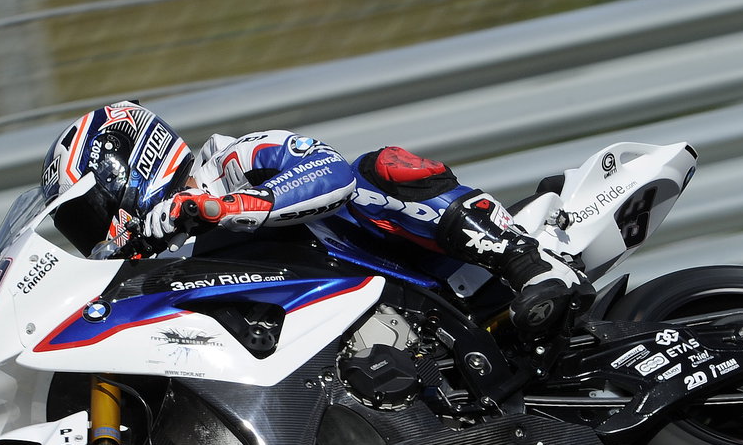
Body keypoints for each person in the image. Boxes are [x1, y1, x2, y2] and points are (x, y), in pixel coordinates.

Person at [37, 100, 591, 342]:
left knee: (376, 172)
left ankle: (530, 261)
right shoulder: (161, 267)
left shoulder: (230, 161)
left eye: (87, 215)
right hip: (339, 348)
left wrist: (223, 208)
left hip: (416, 275)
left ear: (126, 167)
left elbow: (329, 173)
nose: (92, 235)